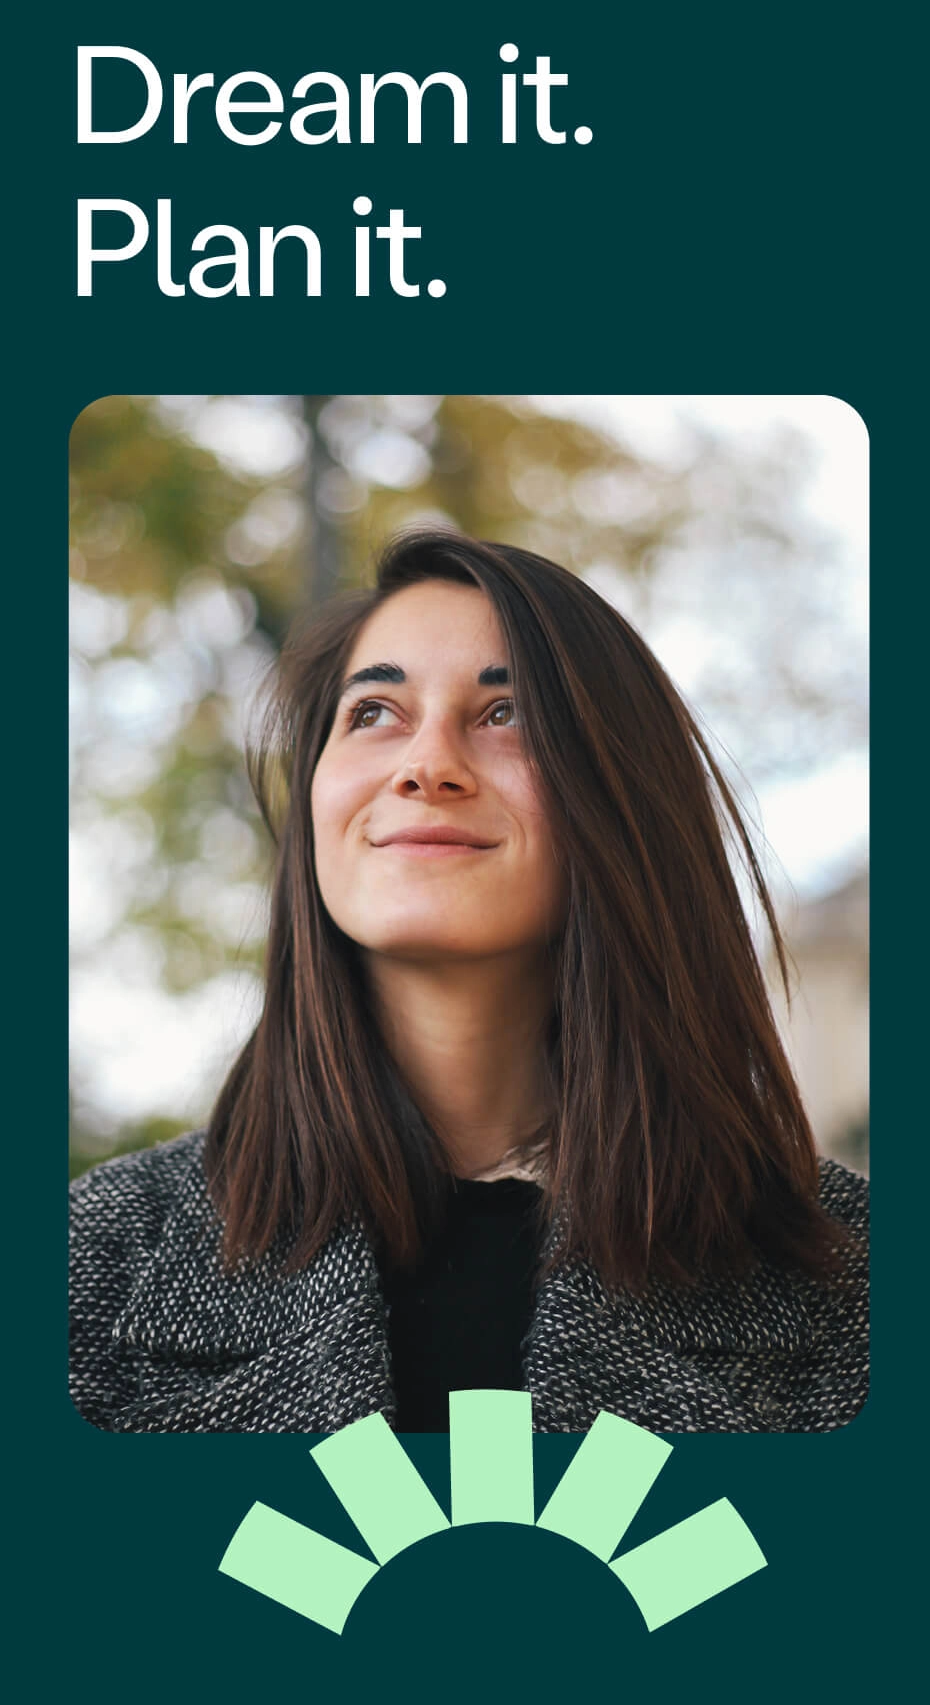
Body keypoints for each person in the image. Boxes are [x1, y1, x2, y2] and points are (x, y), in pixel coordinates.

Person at [69, 530, 868, 1434]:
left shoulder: (862, 1281)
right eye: (373, 712)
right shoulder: (88, 1260)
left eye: (505, 714)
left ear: (620, 799)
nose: (426, 765)